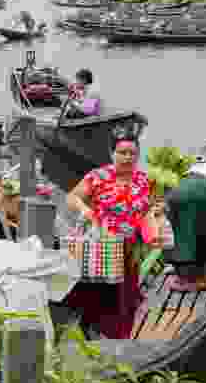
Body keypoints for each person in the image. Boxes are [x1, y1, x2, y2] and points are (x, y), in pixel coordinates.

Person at [64, 135, 163, 339]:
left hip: (130, 247)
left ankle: (118, 336)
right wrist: (86, 211)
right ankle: (93, 330)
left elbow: (149, 209)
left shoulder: (143, 180)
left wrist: (156, 216)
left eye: (132, 153)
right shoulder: (98, 176)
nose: (127, 157)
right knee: (101, 292)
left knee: (125, 295)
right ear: (112, 154)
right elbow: (72, 197)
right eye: (122, 153)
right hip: (104, 246)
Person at [164, 154, 206, 292]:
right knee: (203, 232)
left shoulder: (190, 169)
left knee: (177, 233)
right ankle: (199, 279)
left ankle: (177, 271)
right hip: (200, 190)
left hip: (174, 192)